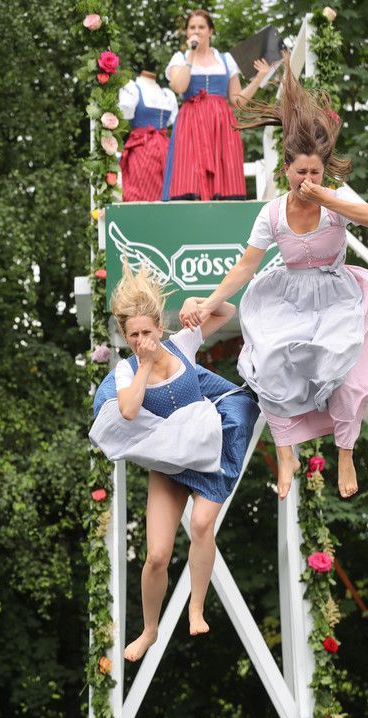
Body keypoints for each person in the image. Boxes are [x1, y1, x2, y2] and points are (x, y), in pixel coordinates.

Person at [179, 56, 368, 501]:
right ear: (286, 169)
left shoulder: (333, 200)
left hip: (335, 294)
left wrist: (327, 195)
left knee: (346, 374)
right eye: (301, 172)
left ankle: (345, 450)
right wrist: (209, 302)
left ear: (322, 171)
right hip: (289, 295)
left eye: (315, 172)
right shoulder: (271, 214)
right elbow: (245, 266)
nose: (307, 179)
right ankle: (286, 450)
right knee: (267, 362)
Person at [89, 262, 259, 661]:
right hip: (168, 465)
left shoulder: (182, 343)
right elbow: (128, 410)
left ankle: (196, 607)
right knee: (156, 555)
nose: (141, 340)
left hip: (204, 452)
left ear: (159, 329)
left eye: (147, 332)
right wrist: (146, 364)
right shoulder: (126, 371)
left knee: (200, 524)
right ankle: (150, 630)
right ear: (125, 336)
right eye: (133, 335)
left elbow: (227, 311)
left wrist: (197, 303)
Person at [162, 9, 270, 201]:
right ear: (187, 32)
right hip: (191, 124)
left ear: (210, 31)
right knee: (189, 175)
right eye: (192, 27)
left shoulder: (226, 60)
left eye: (201, 27)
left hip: (221, 125)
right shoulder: (180, 58)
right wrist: (191, 55)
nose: (196, 31)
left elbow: (237, 100)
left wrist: (259, 78)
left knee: (226, 179)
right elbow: (180, 86)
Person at [119, 69, 178, 201]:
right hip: (142, 150)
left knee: (168, 191)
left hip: (167, 152)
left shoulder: (166, 94)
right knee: (141, 191)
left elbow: (172, 121)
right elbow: (124, 114)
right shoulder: (133, 89)